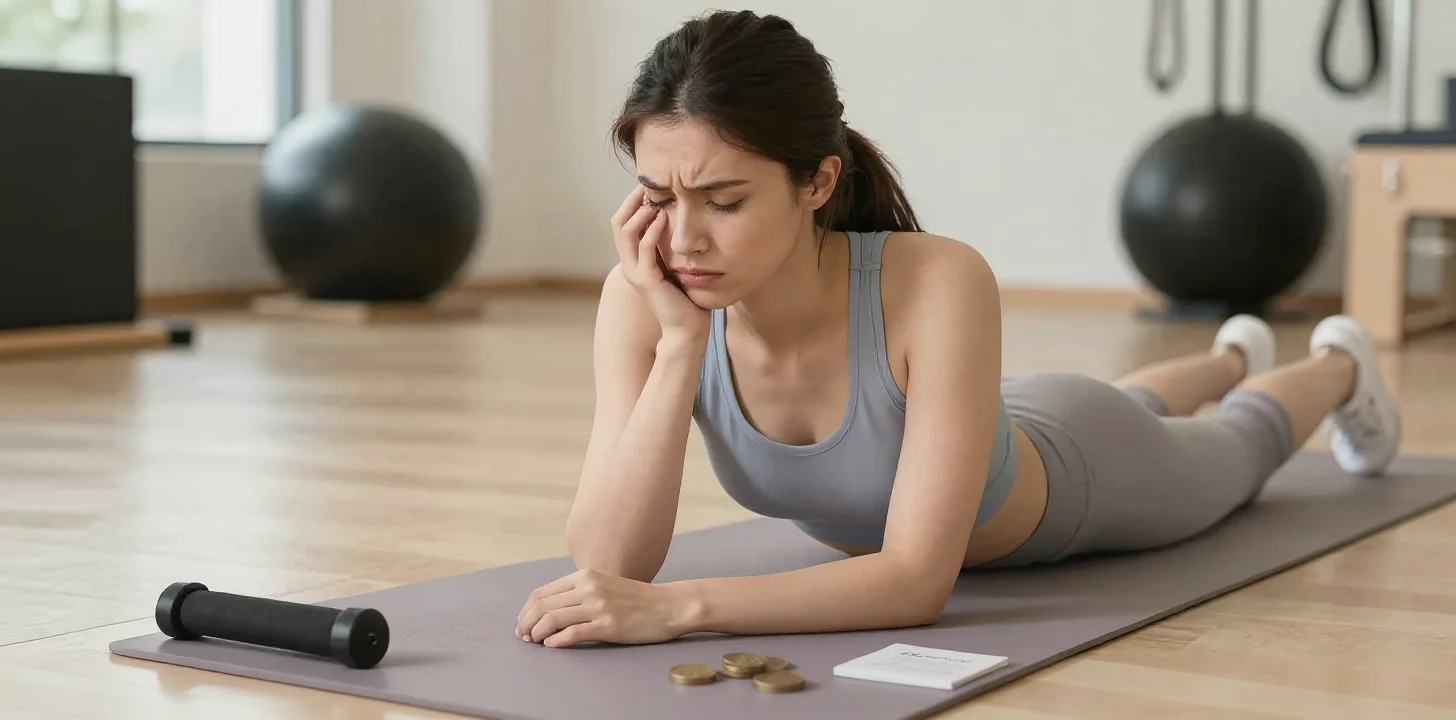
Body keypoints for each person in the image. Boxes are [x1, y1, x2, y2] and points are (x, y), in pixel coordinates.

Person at [513, 9, 1402, 649]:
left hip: (1083, 471)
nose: (683, 239)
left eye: (724, 200)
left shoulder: (938, 279)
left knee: (1234, 450)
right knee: (1133, 401)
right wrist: (681, 346)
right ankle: (1229, 352)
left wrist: (682, 610)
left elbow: (914, 582)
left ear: (817, 182)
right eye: (658, 196)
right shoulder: (644, 297)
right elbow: (608, 561)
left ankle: (1334, 366)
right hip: (1010, 423)